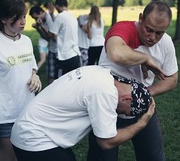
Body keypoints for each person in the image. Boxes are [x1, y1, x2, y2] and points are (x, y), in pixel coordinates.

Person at [87, 1, 178, 161]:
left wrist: (143, 95)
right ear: (141, 18)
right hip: (107, 107)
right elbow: (116, 53)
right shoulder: (123, 28)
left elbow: (172, 79)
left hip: (143, 108)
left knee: (153, 158)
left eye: (159, 33)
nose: (152, 37)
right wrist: (145, 59)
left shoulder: (166, 43)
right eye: (149, 30)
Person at [10, 65, 155, 161]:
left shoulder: (102, 72)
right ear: (127, 98)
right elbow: (107, 142)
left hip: (31, 131)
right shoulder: (105, 92)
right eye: (124, 111)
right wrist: (140, 124)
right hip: (34, 138)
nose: (119, 113)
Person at [0, 0, 42, 161]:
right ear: (3, 19)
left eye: (24, 16)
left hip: (28, 110)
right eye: (16, 18)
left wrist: (35, 76)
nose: (23, 21)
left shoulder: (26, 41)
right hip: (5, 114)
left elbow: (32, 67)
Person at [39, 0, 81, 77]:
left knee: (62, 81)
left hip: (65, 56)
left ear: (57, 6)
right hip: (75, 54)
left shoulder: (60, 16)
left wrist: (41, 26)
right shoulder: (72, 16)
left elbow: (51, 34)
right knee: (73, 80)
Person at [29, 4, 57, 84]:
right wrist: (38, 28)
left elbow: (51, 36)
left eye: (37, 17)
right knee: (50, 74)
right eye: (34, 18)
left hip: (58, 48)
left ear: (41, 12)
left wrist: (41, 26)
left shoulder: (49, 18)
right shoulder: (42, 21)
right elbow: (45, 37)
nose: (36, 20)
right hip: (52, 48)